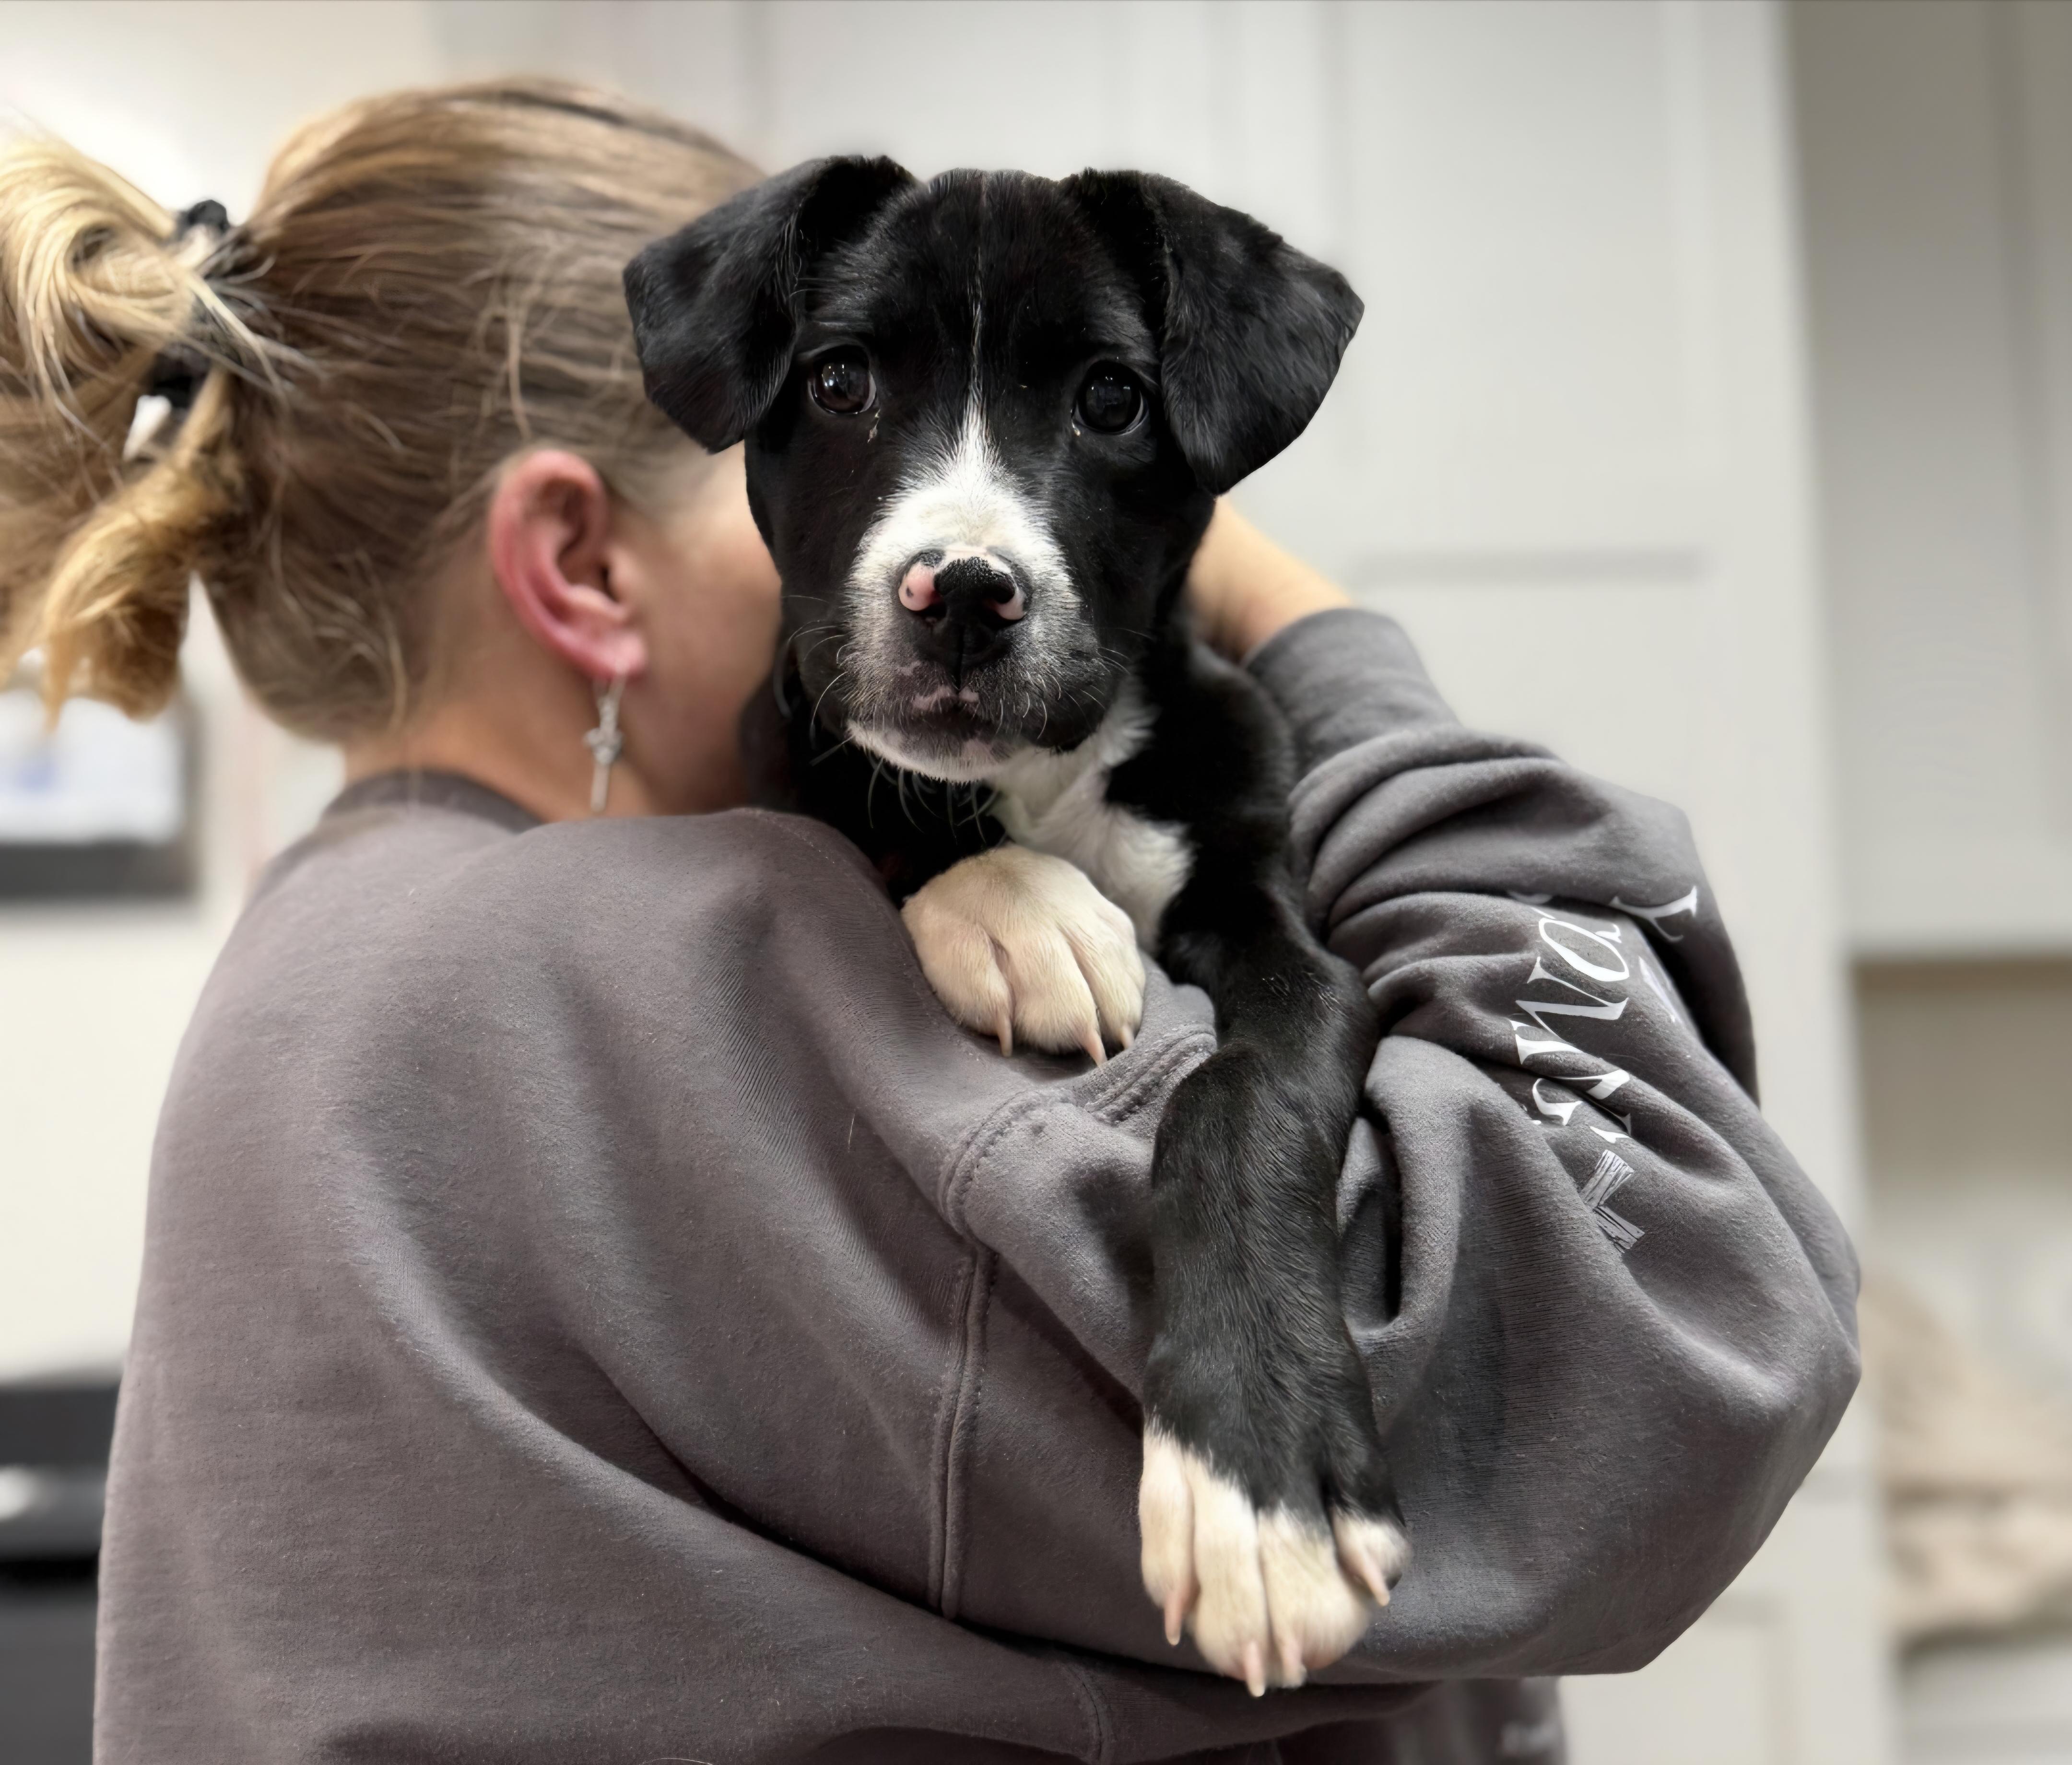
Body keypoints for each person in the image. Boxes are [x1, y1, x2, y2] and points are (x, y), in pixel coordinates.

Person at [0, 81, 1860, 1765]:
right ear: (578, 566)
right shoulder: (672, 956)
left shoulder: (327, 969)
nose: (957, 537)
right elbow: (1662, 1341)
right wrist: (1305, 626)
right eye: (836, 407)